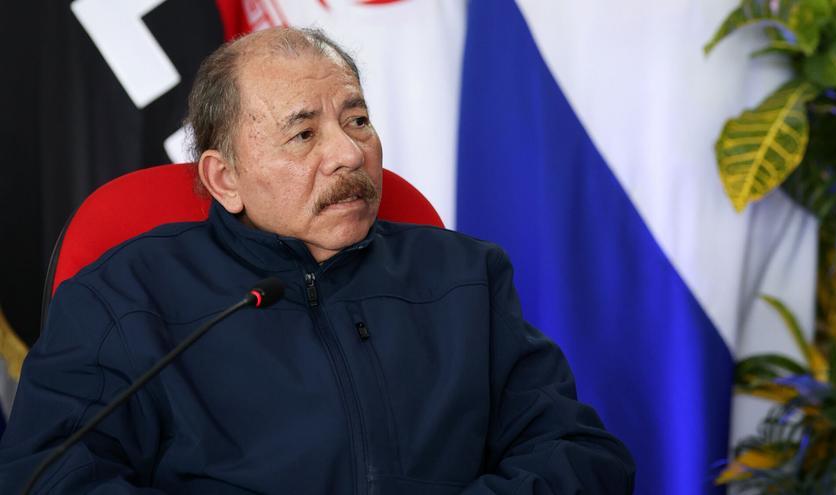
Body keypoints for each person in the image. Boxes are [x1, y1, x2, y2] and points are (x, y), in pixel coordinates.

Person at [0, 27, 635, 494]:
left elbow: (579, 454)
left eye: (357, 121)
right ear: (224, 179)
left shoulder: (465, 278)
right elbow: (47, 475)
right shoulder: (125, 296)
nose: (349, 154)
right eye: (303, 134)